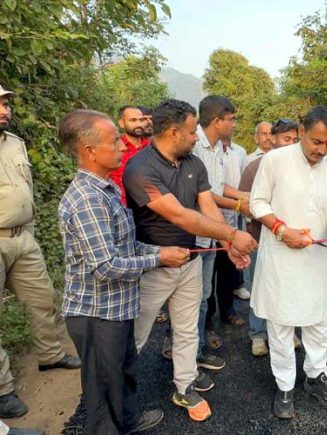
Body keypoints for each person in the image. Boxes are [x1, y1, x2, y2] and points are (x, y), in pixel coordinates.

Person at [57, 109, 191, 434]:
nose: (122, 146)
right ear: (89, 151)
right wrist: (159, 260)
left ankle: (129, 421)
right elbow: (106, 266)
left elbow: (126, 246)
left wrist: (159, 251)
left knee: (123, 373)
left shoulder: (108, 190)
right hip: (96, 313)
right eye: (114, 140)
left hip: (117, 308)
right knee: (103, 388)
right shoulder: (88, 199)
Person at [123, 99, 257, 422]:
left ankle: (184, 385)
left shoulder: (193, 163)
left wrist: (227, 241)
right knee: (135, 335)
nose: (197, 136)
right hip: (152, 266)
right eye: (191, 131)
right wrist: (234, 236)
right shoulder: (140, 169)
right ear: (173, 132)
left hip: (190, 261)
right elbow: (183, 216)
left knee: (186, 329)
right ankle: (118, 398)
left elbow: (206, 206)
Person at [249, 106, 327, 419]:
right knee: (280, 325)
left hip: (316, 258)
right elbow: (257, 202)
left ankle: (316, 377)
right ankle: (285, 386)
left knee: (318, 323)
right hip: (281, 256)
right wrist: (281, 229)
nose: (322, 150)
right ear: (302, 132)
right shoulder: (275, 159)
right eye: (316, 142)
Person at [0, 85, 81, 420]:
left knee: (43, 299)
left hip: (23, 237)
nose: (5, 110)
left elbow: (25, 192)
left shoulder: (15, 144)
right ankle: (3, 389)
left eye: (5, 104)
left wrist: (29, 235)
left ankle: (50, 354)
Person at [192, 95, 252, 362]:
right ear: (217, 121)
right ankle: (190, 346)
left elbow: (216, 187)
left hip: (213, 231)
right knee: (191, 297)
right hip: (194, 232)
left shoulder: (216, 148)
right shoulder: (194, 147)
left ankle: (199, 345)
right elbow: (203, 195)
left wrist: (242, 196)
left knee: (204, 293)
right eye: (231, 119)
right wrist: (240, 206)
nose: (234, 125)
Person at [239, 118, 300, 357]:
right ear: (272, 139)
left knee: (289, 288)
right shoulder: (255, 167)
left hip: (292, 240)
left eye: (295, 140)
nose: (291, 145)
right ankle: (258, 334)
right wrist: (271, 217)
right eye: (286, 139)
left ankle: (288, 330)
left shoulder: (301, 167)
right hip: (260, 238)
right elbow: (245, 204)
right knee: (260, 288)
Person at [111, 105, 148, 205]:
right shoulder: (115, 149)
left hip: (151, 210)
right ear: (122, 123)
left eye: (141, 120)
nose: (138, 124)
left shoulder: (152, 148)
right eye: (133, 120)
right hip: (123, 208)